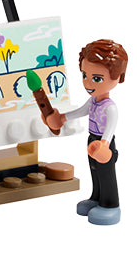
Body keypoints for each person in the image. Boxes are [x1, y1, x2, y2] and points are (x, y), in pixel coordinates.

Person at [42, 38, 126, 225]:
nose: (87, 82)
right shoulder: (93, 101)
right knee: (94, 171)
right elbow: (81, 111)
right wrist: (62, 118)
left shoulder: (110, 107)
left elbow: (110, 129)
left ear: (119, 78)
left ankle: (110, 204)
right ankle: (96, 198)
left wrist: (104, 146)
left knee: (106, 174)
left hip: (103, 145)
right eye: (84, 75)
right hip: (92, 140)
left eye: (97, 78)